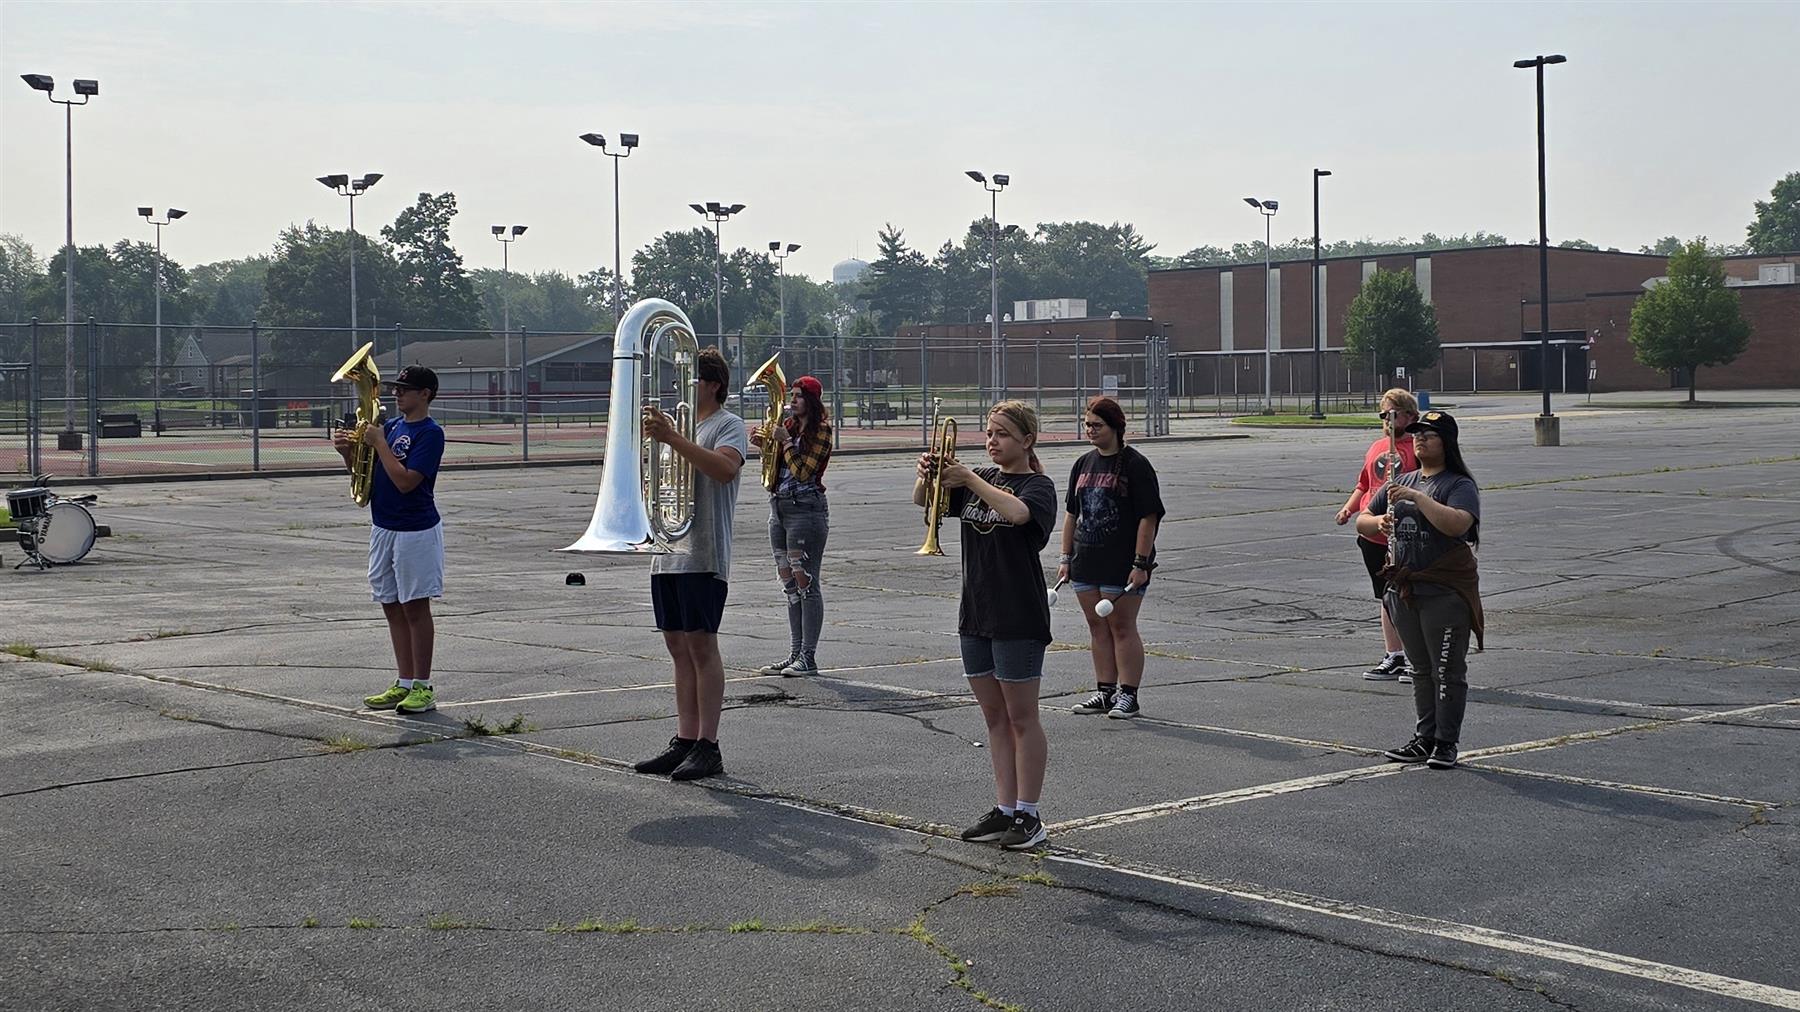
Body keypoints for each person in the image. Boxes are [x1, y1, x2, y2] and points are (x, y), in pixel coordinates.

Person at [915, 400, 1057, 850]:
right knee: (994, 717)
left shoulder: (1039, 486)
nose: (991, 441)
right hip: (975, 611)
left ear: (1027, 441)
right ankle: (1005, 807)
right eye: (989, 433)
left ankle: (1030, 815)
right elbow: (925, 503)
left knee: (1021, 716)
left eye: (1002, 435)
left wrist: (970, 478)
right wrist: (928, 474)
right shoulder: (980, 478)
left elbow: (1017, 515)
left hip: (1018, 614)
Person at [631, 347, 750, 782]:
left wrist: (674, 441)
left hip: (703, 554)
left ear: (714, 384)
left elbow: (724, 470)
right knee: (677, 649)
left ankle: (708, 745)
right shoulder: (678, 428)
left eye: (692, 379)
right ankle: (684, 738)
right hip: (668, 554)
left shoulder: (728, 424)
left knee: (702, 646)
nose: (683, 387)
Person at [1358, 410, 1485, 771]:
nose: (1420, 440)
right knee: (1419, 669)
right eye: (1417, 435)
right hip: (1406, 589)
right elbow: (1363, 519)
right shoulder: (1401, 480)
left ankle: (1446, 742)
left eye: (1429, 435)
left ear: (1447, 442)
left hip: (1443, 591)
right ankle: (1424, 736)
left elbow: (1458, 523)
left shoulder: (1457, 484)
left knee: (1447, 669)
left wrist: (1416, 497)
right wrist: (1378, 521)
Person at [337, 366, 447, 716]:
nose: (397, 394)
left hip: (415, 530)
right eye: (396, 388)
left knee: (415, 606)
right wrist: (347, 453)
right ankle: (403, 681)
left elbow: (406, 481)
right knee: (391, 604)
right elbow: (366, 476)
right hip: (383, 526)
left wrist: (380, 442)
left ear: (425, 394)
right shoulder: (393, 426)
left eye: (405, 389)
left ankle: (423, 687)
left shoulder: (430, 433)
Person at [1059, 396, 1165, 719]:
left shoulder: (1135, 465)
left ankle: (1128, 696)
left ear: (1116, 427)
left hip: (1122, 564)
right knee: (1097, 627)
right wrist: (1066, 558)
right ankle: (1105, 692)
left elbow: (1149, 517)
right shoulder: (1082, 464)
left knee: (1121, 627)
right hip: (1085, 561)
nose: (1090, 430)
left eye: (1097, 425)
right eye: (1086, 424)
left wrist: (1140, 563)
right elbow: (1071, 515)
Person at [750, 375, 833, 677]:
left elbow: (801, 472)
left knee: (806, 581)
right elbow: (778, 468)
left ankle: (808, 657)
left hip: (806, 510)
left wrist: (783, 442)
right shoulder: (789, 428)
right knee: (789, 585)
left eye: (798, 396)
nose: (792, 400)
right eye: (792, 395)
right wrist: (765, 446)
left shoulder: (821, 431)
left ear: (811, 400)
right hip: (780, 508)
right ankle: (794, 652)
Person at [1336, 389, 1421, 683]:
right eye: (1384, 414)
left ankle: (1416, 657)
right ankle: (1394, 655)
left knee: (1409, 596)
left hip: (1406, 536)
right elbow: (1363, 484)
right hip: (1374, 533)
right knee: (1386, 597)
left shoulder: (1418, 447)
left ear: (1410, 416)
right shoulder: (1376, 448)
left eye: (1394, 413)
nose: (1387, 419)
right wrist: (1349, 509)